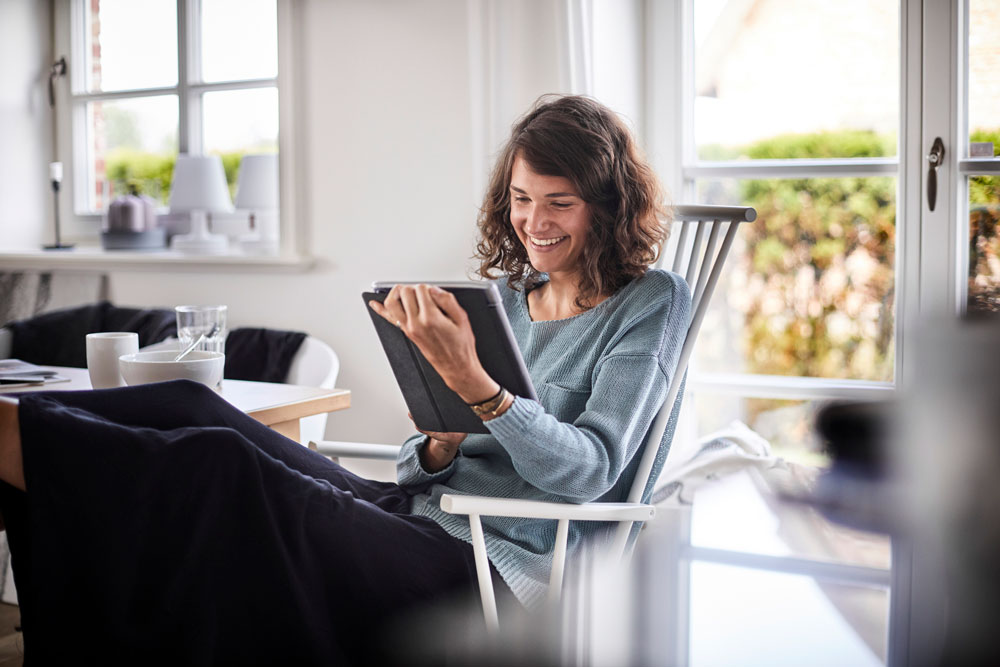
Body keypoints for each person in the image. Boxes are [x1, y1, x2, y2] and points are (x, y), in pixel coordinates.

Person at [0, 94, 690, 665]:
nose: (533, 222)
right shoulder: (509, 297)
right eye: (520, 198)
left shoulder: (650, 301)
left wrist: (483, 389)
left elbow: (592, 470)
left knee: (223, 463)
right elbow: (417, 467)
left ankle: (20, 443)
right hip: (419, 515)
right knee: (193, 403)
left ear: (606, 203)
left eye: (559, 202)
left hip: (495, 565)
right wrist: (438, 444)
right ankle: (23, 424)